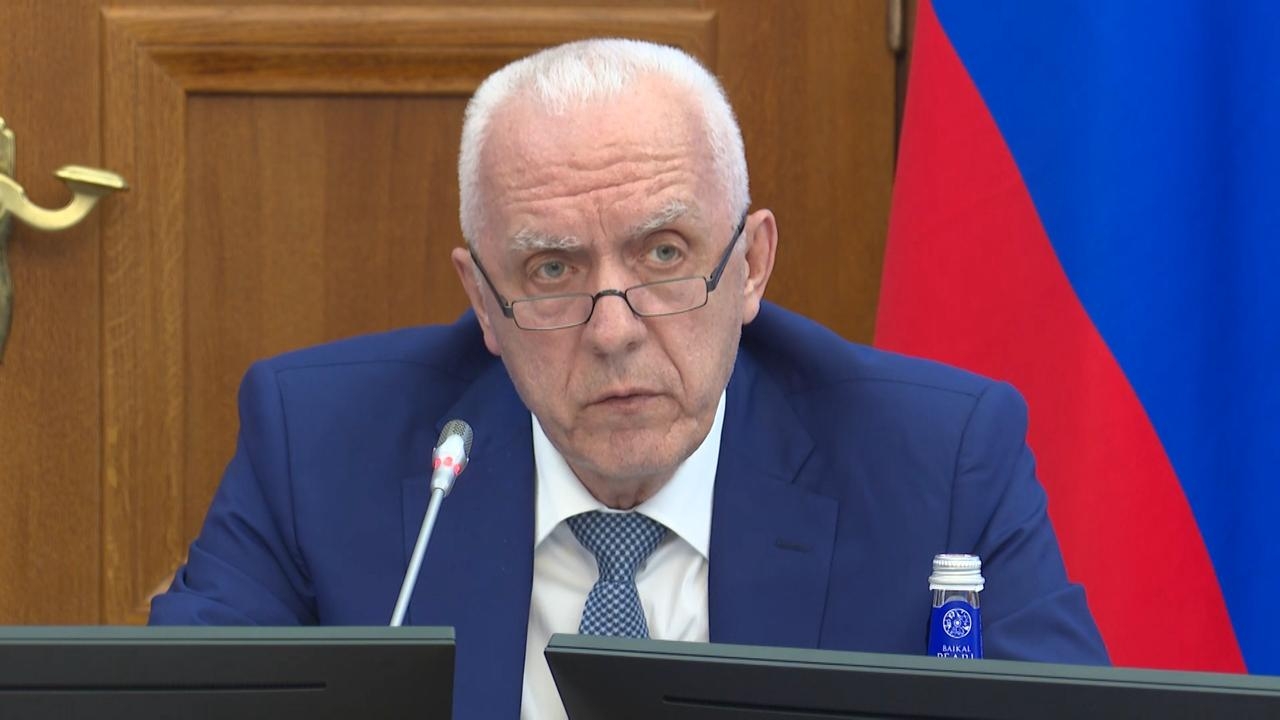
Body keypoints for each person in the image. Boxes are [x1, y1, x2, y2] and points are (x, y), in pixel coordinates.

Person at [151, 38, 1108, 719]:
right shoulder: (318, 445)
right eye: (551, 270)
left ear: (751, 267)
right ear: (483, 301)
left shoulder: (936, 462)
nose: (614, 331)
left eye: (663, 253)